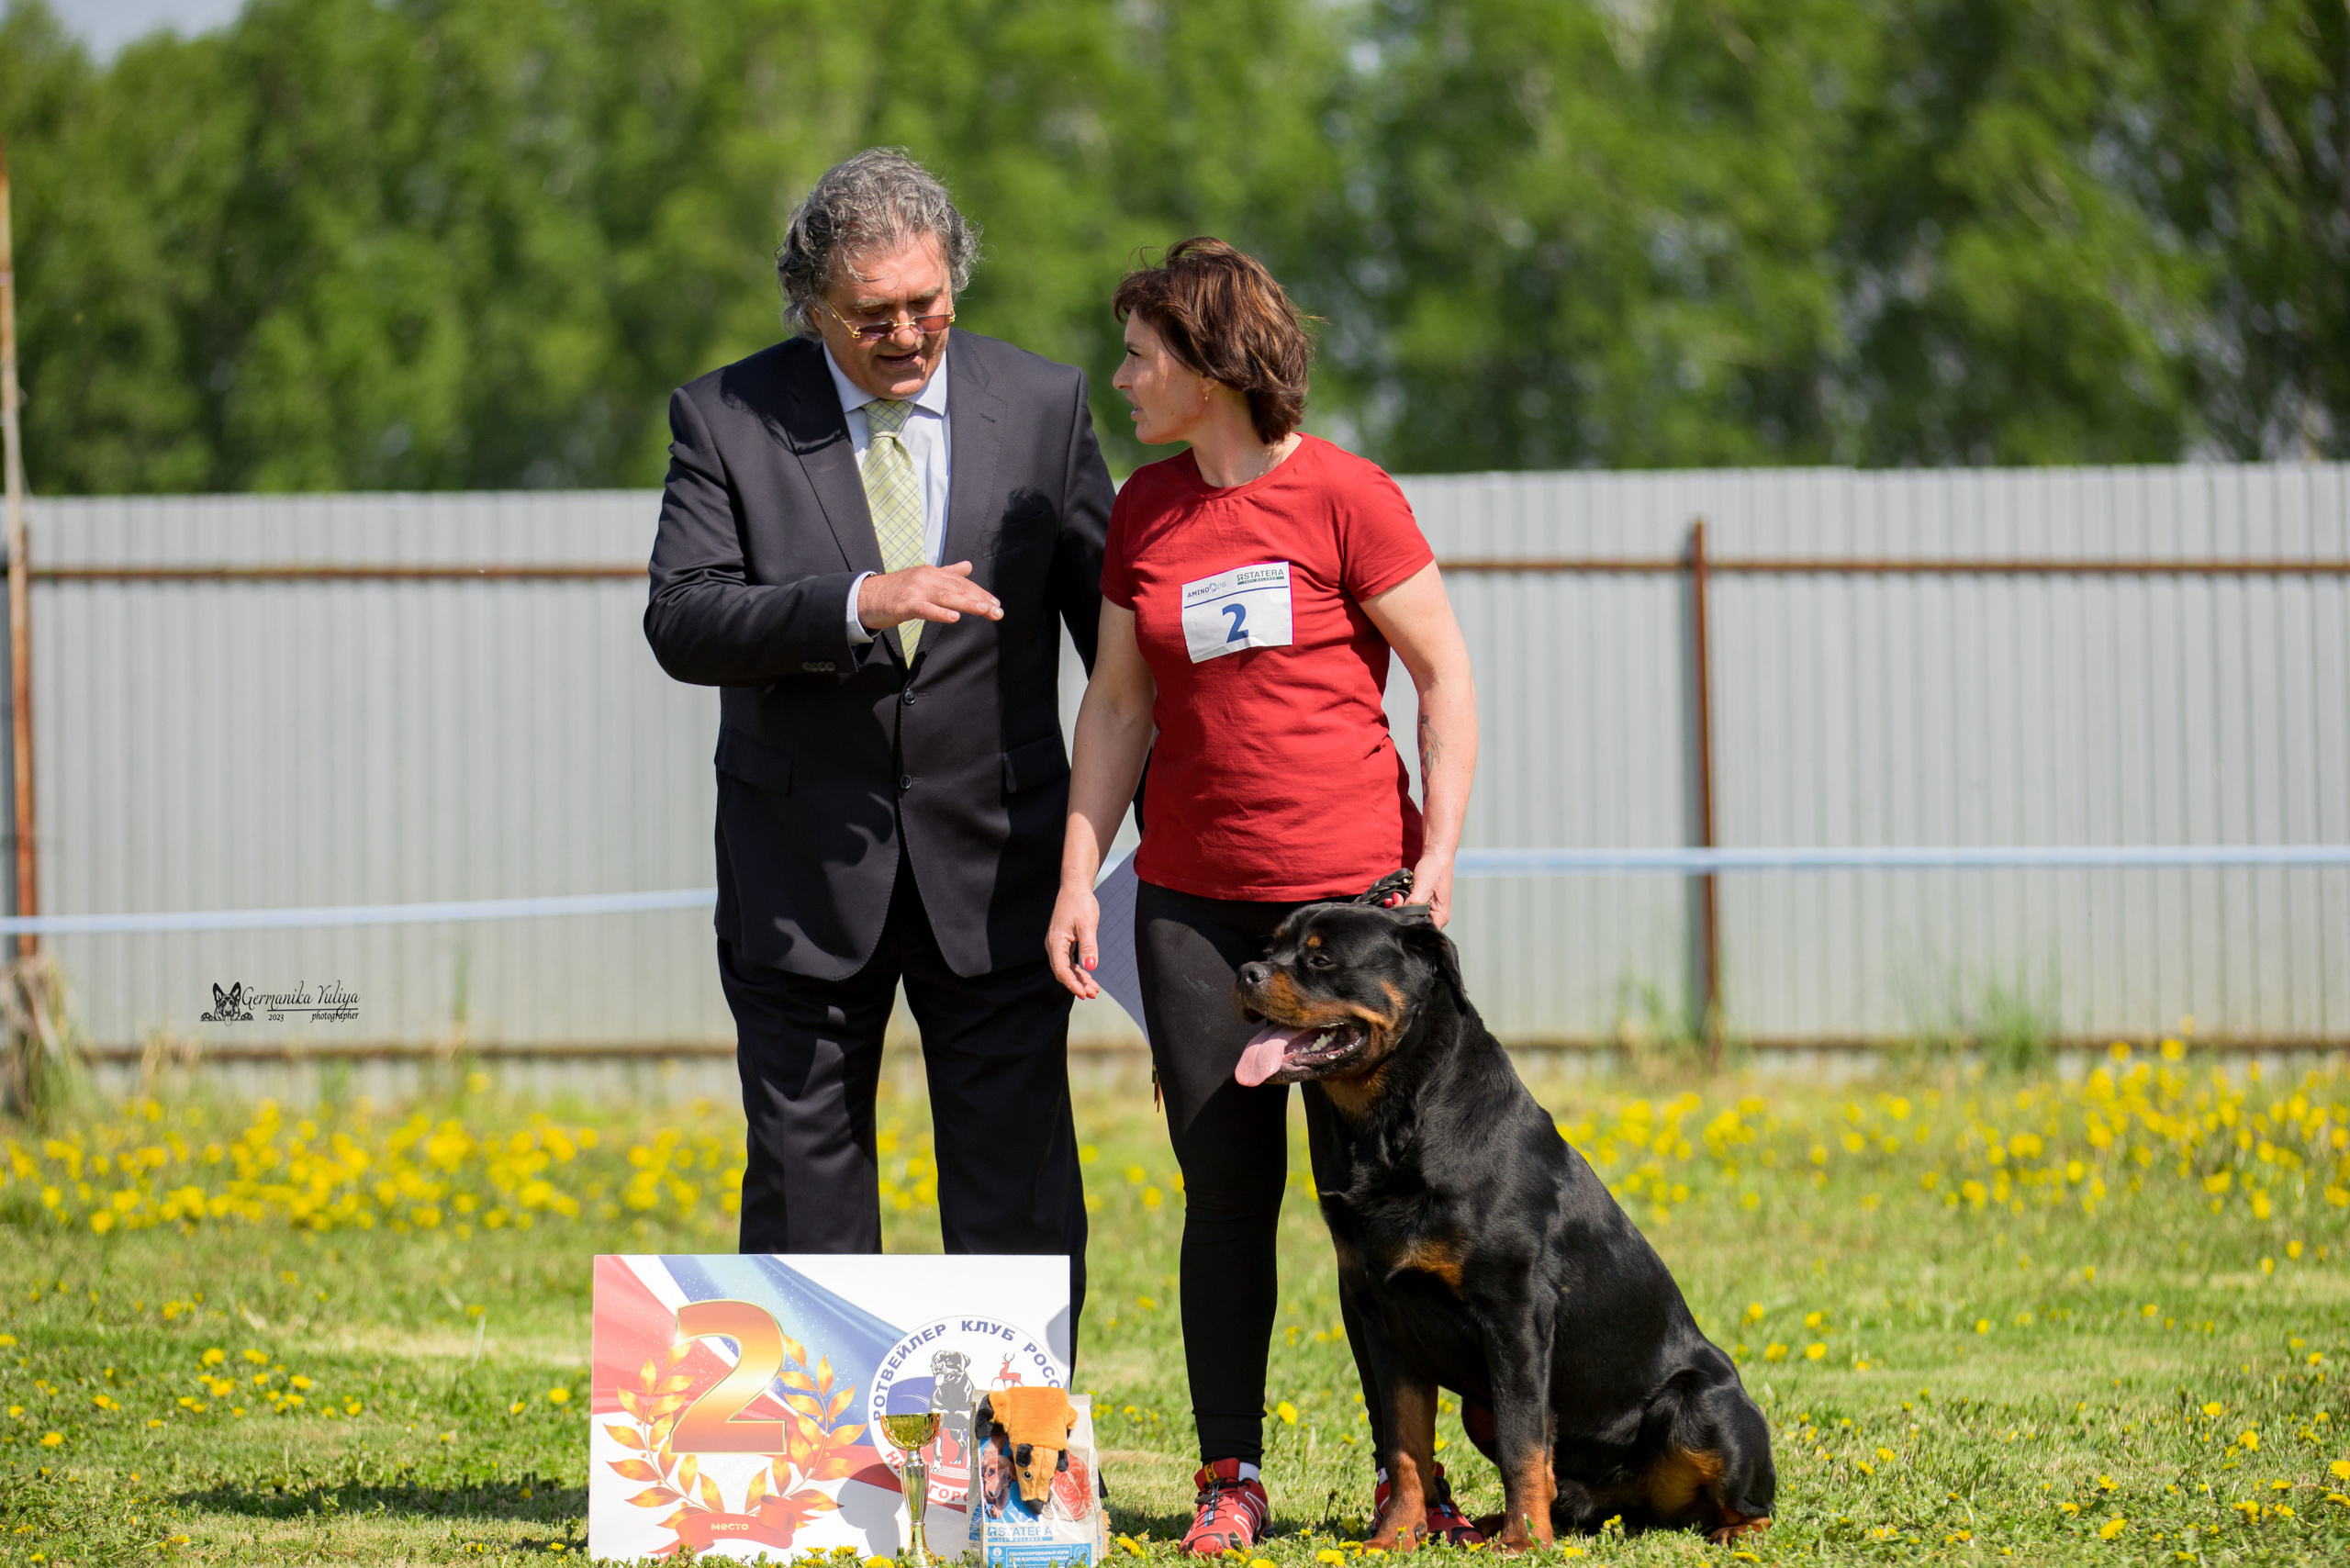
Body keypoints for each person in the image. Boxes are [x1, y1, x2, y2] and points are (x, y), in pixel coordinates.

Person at [1045, 239, 1481, 1554]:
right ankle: (1228, 1475)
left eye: (1141, 355)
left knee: (1381, 1209)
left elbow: (1444, 676)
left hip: (1353, 917)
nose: (1123, 377)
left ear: (1215, 364)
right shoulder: (1144, 510)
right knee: (1224, 1199)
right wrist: (1077, 874)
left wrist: (1438, 856)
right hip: (1191, 909)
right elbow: (1117, 705)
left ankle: (1412, 1480)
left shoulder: (1348, 496)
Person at [643, 148, 1113, 1345]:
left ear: (956, 280)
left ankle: (1010, 1443)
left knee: (1016, 1189)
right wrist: (858, 602)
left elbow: (1118, 651)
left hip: (1001, 868)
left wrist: (1136, 838)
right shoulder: (725, 416)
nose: (906, 335)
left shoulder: (1047, 406)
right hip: (798, 872)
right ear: (811, 305)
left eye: (927, 305)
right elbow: (683, 619)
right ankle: (822, 1451)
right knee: (805, 1189)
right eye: (873, 315)